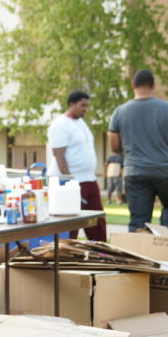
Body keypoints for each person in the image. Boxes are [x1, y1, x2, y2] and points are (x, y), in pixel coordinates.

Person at [108, 69, 168, 232]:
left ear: (133, 86)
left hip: (135, 172)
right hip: (165, 171)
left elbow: (114, 146)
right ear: (153, 85)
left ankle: (140, 250)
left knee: (139, 219)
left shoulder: (119, 112)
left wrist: (130, 152)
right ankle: (163, 236)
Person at [47, 91, 106, 241]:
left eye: (87, 105)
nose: (85, 109)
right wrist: (70, 182)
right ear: (72, 104)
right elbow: (59, 155)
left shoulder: (80, 123)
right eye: (82, 105)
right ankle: (65, 254)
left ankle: (101, 253)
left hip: (89, 179)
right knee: (71, 222)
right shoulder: (60, 124)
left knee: (97, 219)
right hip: (70, 181)